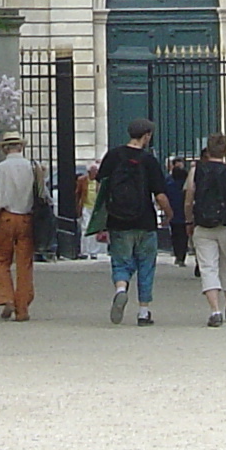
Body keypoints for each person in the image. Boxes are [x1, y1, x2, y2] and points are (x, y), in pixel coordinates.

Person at [94, 118, 169, 325]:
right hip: (145, 221)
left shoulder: (113, 156)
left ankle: (120, 288)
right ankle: (144, 312)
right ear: (147, 136)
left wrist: (102, 216)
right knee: (146, 265)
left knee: (121, 261)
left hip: (118, 220)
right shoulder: (149, 161)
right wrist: (169, 214)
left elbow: (101, 189)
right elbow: (160, 196)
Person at [0, 132, 46, 321]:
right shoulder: (33, 168)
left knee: (1, 260)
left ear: (4, 149)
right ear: (21, 147)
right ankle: (23, 308)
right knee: (24, 264)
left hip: (6, 219)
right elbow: (43, 195)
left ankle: (6, 297)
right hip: (26, 219)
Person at [187, 133, 226, 327]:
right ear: (225, 150)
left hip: (203, 225)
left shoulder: (196, 171)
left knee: (208, 268)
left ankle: (215, 310)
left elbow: (189, 199)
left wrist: (189, 221)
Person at [164, 157, 192, 266]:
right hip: (182, 211)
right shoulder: (185, 181)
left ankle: (178, 255)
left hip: (173, 210)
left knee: (175, 234)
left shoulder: (169, 181)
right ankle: (181, 255)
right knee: (183, 235)